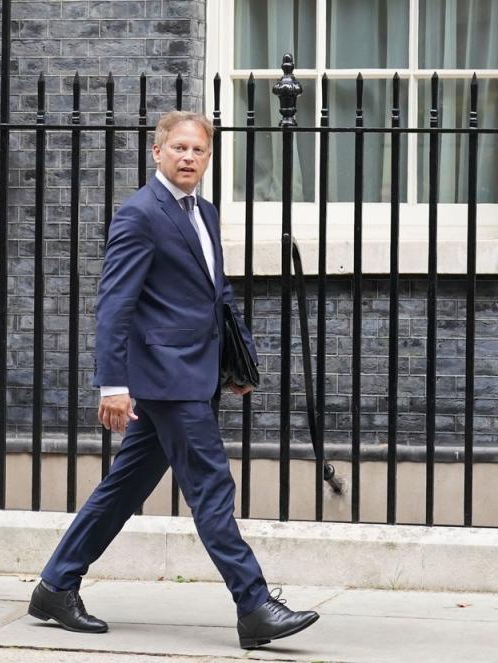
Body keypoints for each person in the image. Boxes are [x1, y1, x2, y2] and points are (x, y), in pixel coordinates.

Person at [27, 111, 319, 649]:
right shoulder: (140, 213)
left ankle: (55, 585)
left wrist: (239, 361)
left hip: (196, 373)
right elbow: (115, 303)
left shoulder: (202, 213)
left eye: (198, 151)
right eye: (179, 148)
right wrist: (112, 384)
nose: (188, 158)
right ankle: (254, 605)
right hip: (167, 381)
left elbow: (217, 294)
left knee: (122, 489)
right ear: (157, 152)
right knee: (212, 487)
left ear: (208, 159)